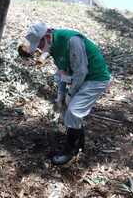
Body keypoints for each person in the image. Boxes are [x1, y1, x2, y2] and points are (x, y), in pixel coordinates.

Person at [25, 23, 110, 165]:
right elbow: (61, 72)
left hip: (95, 78)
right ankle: (78, 142)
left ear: (46, 36)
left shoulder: (72, 41)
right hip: (81, 78)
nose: (39, 49)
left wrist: (70, 94)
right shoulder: (53, 46)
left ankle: (70, 148)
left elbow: (81, 71)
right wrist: (60, 93)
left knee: (74, 110)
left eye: (39, 44)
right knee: (65, 107)